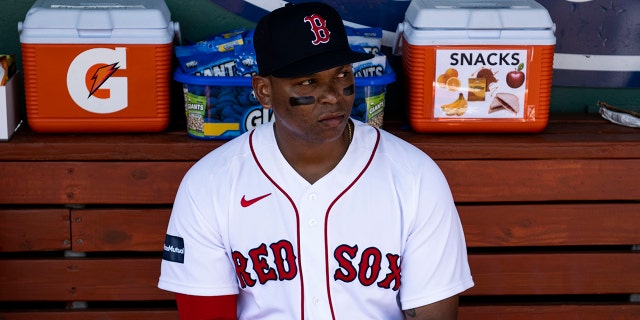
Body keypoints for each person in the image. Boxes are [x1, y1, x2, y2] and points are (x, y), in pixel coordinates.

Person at [158, 2, 474, 319]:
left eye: (342, 75)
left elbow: (435, 312)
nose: (333, 95)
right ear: (264, 91)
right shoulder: (209, 184)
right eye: (308, 81)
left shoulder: (415, 176)